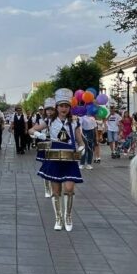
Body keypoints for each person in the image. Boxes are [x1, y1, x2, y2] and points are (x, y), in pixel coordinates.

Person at [32, 88, 84, 232]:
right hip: (54, 158)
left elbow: (81, 142)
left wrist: (81, 150)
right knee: (56, 191)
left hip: (69, 160)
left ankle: (68, 216)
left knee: (69, 188)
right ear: (57, 107)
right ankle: (58, 218)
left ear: (69, 108)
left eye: (66, 106)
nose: (64, 108)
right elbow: (30, 130)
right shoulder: (49, 120)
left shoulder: (75, 122)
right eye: (61, 106)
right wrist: (39, 134)